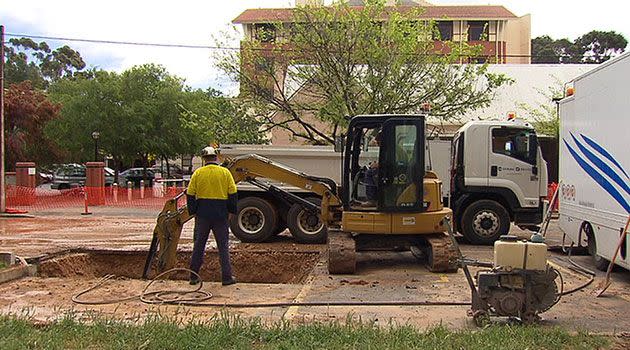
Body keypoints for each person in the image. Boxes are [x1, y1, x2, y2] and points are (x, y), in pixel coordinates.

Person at [186, 146, 238, 286]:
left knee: (199, 245)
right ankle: (226, 277)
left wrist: (194, 211)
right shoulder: (225, 173)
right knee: (223, 246)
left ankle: (193, 276)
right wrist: (231, 211)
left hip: (203, 214)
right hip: (221, 214)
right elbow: (232, 194)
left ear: (204, 159)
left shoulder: (198, 173)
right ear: (216, 157)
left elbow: (190, 194)